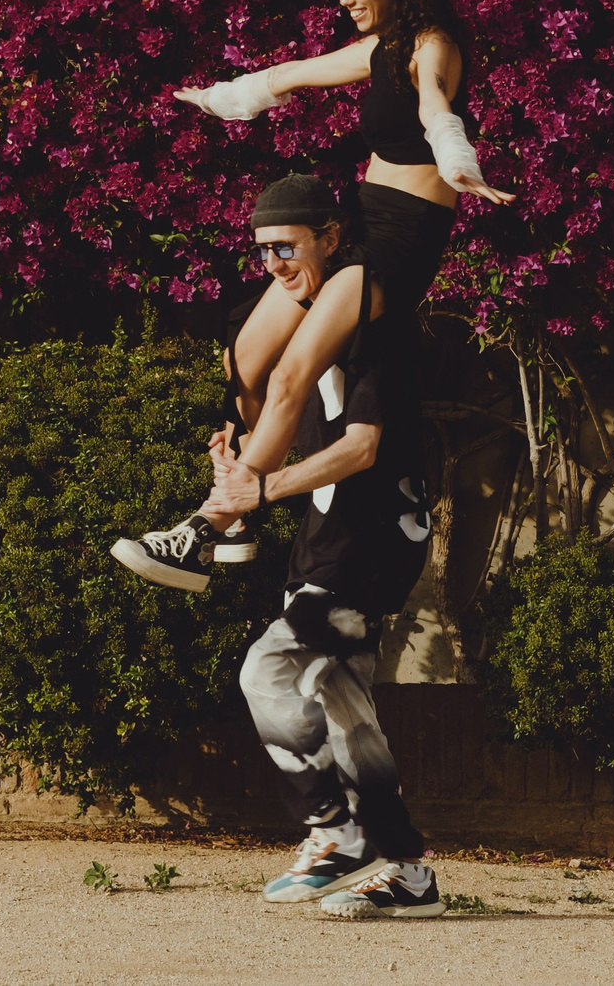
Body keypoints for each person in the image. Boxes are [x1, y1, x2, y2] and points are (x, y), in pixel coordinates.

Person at [110, 0, 510, 593]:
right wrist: (224, 98)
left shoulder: (431, 44)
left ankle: (203, 530)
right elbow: (293, 74)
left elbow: (439, 108)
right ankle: (241, 521)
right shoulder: (381, 47)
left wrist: (457, 159)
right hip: (357, 215)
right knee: (249, 356)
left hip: (402, 236)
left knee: (296, 369)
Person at [197, 175, 444, 916]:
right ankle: (409, 874)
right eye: (263, 249)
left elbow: (362, 448)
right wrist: (238, 465)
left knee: (268, 672)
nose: (273, 261)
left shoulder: (376, 323)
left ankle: (334, 831)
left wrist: (261, 492)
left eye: (288, 245)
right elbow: (269, 423)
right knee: (344, 705)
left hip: (371, 536)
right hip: (324, 534)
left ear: (332, 239)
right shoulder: (268, 326)